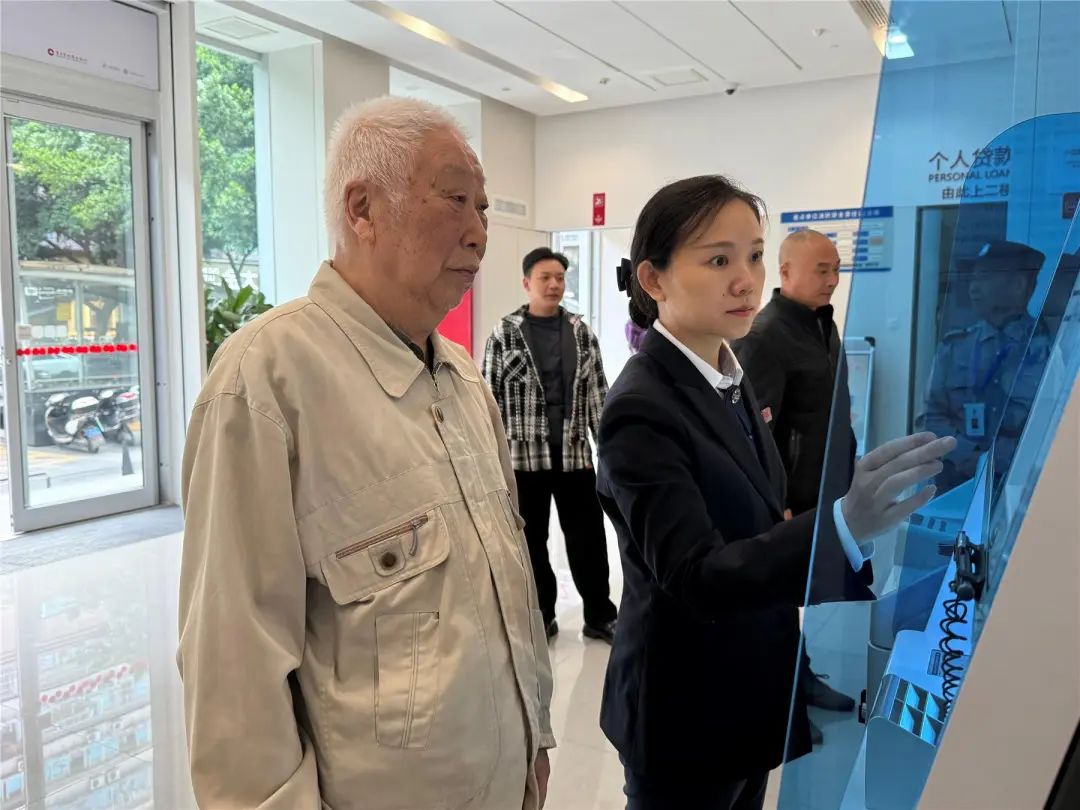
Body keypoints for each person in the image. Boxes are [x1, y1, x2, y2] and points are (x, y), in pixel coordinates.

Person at [178, 97, 554, 810]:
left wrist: (535, 738)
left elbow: (508, 585)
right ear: (363, 209)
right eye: (455, 200)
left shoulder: (465, 380)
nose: (478, 233)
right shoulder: (268, 379)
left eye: (483, 209)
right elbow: (233, 666)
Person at [596, 175, 955, 810]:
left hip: (750, 690)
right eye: (718, 260)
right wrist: (840, 524)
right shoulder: (642, 407)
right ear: (653, 279)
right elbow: (695, 576)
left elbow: (760, 523)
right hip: (687, 709)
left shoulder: (728, 377)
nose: (747, 280)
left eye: (755, 256)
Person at [732, 229, 861, 743]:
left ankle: (800, 680)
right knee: (777, 602)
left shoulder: (820, 325)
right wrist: (776, 501)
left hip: (824, 491)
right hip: (789, 503)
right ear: (785, 273)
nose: (833, 280)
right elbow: (755, 432)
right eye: (822, 270)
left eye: (836, 269)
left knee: (796, 597)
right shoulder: (765, 335)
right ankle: (782, 703)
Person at [483, 247, 619, 643]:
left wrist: (609, 453)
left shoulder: (580, 332)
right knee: (530, 542)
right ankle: (541, 614)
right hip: (524, 461)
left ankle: (600, 616)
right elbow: (489, 399)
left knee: (588, 539)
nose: (555, 284)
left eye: (560, 277)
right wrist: (491, 459)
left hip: (575, 456)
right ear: (527, 283)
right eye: (546, 277)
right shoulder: (505, 333)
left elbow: (599, 395)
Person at [918, 240, 1050, 493]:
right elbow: (930, 417)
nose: (973, 287)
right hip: (957, 486)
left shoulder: (1049, 347)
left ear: (1018, 285)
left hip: (1024, 487)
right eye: (972, 278)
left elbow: (1054, 423)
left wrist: (1000, 459)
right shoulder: (955, 346)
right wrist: (971, 456)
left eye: (984, 277)